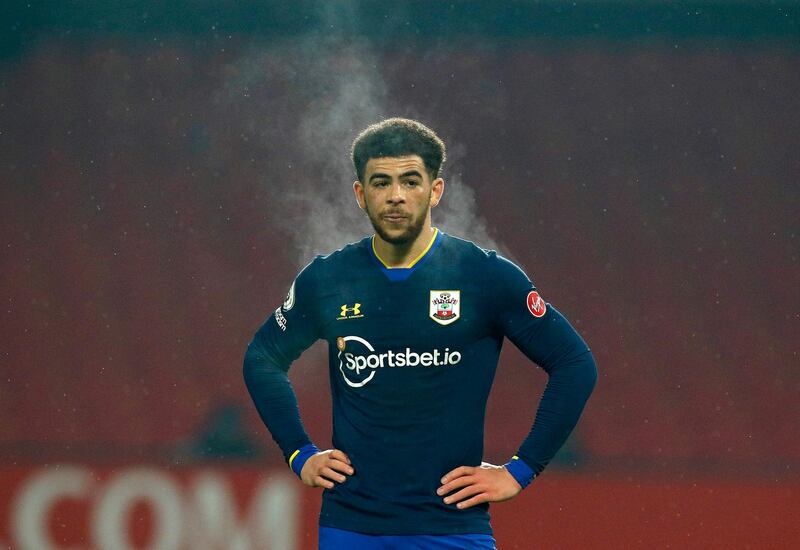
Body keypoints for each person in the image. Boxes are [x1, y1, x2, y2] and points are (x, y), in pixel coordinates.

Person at [244, 118, 597, 549]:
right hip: (351, 527)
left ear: (435, 190)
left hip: (452, 529)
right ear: (360, 194)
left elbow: (575, 364)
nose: (395, 196)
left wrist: (520, 470)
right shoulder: (328, 280)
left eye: (411, 181)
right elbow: (262, 358)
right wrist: (298, 451)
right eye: (381, 182)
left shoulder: (484, 276)